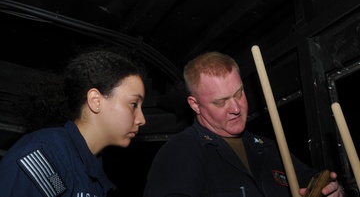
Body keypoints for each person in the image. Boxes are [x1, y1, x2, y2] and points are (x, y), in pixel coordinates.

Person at [143, 51, 344, 197]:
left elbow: (315, 181)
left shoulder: (268, 148)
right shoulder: (180, 152)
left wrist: (333, 190)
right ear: (195, 105)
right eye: (221, 101)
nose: (236, 108)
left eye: (239, 94)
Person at [0, 49, 146, 197]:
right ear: (96, 101)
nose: (142, 119)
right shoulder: (44, 155)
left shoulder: (96, 179)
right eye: (133, 104)